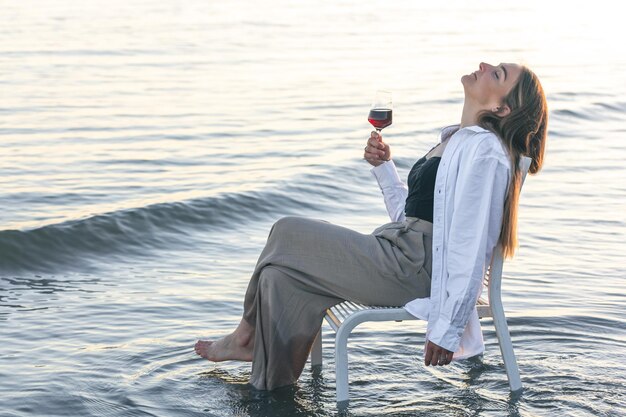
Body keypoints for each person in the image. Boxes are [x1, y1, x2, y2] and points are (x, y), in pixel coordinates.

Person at [194, 62, 548, 391]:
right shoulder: (457, 140)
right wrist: (385, 169)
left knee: (286, 231)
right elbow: (411, 218)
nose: (485, 66)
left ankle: (245, 336)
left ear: (502, 109)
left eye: (498, 74)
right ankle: (273, 392)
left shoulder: (485, 151)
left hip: (417, 270)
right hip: (402, 251)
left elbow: (469, 243)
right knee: (279, 279)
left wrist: (448, 328)